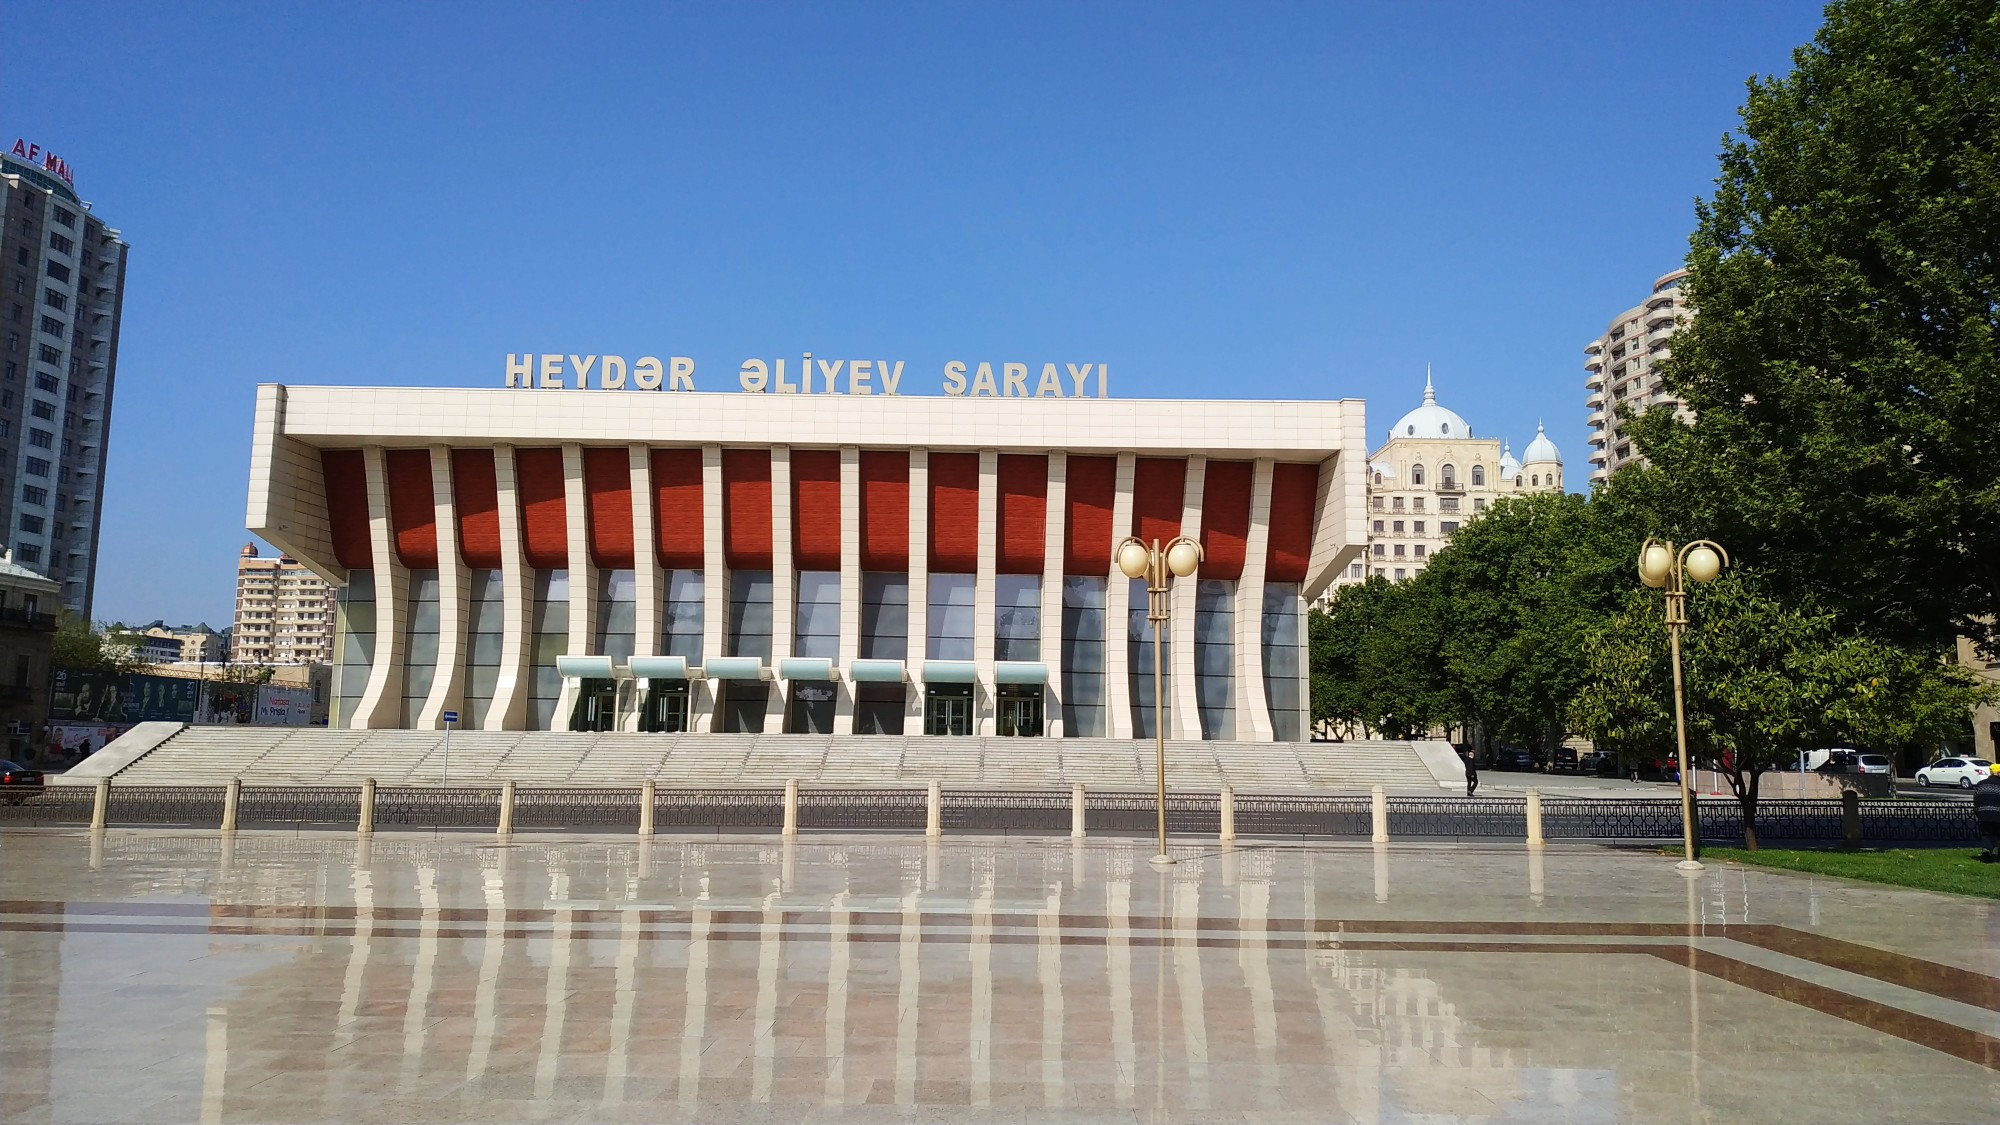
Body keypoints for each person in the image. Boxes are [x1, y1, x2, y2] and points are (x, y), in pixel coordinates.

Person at [1975, 763, 2000, 862]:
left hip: (1983, 814)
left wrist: (1978, 813)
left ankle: (1986, 850)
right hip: (1998, 814)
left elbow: (1976, 800)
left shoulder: (1981, 784)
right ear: (1998, 773)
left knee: (1987, 834)